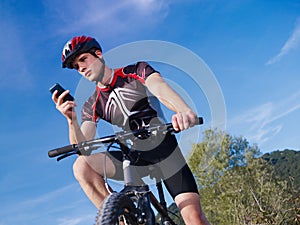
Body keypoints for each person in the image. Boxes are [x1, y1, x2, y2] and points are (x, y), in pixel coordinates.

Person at [52, 35, 210, 225]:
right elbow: (83, 148)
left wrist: (183, 110)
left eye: (83, 59)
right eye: (77, 67)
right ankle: (121, 219)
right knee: (81, 166)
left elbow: (159, 87)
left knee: (193, 217)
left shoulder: (135, 71)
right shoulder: (92, 104)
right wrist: (71, 119)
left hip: (164, 148)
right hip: (134, 156)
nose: (81, 68)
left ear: (98, 54)